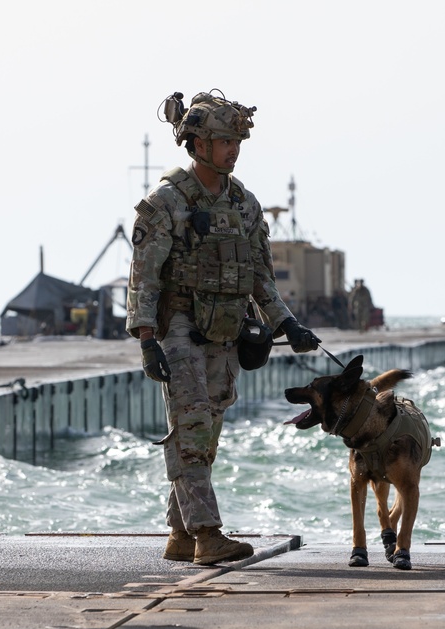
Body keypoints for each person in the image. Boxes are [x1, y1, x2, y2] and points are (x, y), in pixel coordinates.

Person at [126, 90, 321, 565]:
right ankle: (207, 535)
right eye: (223, 141)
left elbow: (259, 276)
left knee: (207, 430)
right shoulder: (167, 202)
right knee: (191, 425)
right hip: (178, 329)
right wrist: (147, 338)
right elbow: (144, 276)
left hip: (226, 330)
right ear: (196, 144)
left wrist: (287, 324)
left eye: (237, 141)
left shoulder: (245, 204)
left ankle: (180, 534)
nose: (233, 150)